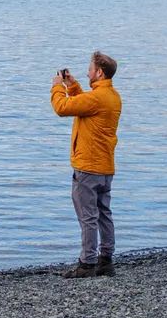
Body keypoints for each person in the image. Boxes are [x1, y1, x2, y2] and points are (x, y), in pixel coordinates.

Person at [50, 52, 122, 278]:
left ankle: (87, 263)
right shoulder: (110, 96)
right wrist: (73, 85)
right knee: (103, 214)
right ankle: (106, 260)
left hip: (88, 167)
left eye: (90, 69)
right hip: (104, 167)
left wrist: (58, 87)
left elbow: (62, 108)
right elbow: (85, 105)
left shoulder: (97, 98)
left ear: (99, 72)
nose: (88, 72)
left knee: (87, 216)